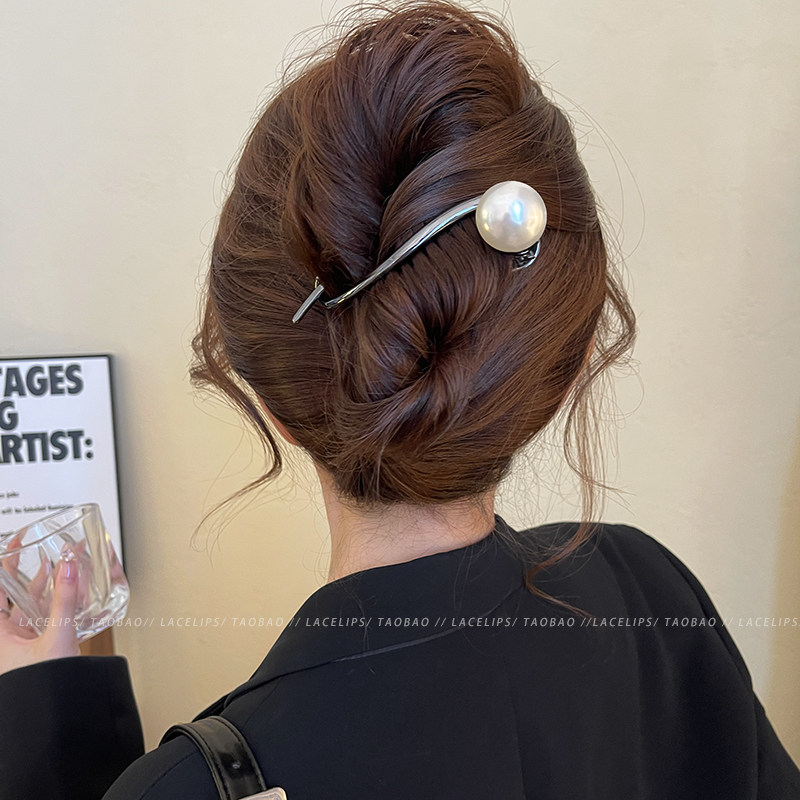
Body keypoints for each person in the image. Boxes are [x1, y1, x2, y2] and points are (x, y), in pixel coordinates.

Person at [1, 2, 798, 798]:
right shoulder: (650, 600)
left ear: (269, 399)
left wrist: (46, 718)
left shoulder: (197, 785)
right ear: (568, 366)